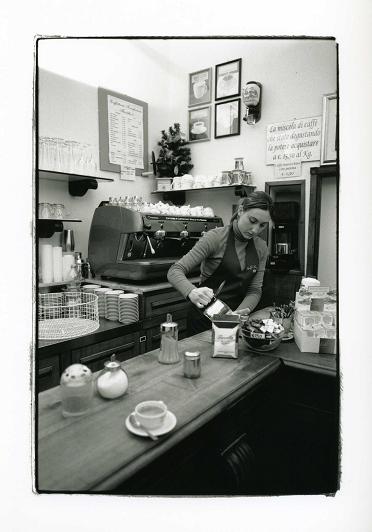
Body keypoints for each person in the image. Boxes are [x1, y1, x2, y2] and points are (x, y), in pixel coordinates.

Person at [167, 190, 273, 334]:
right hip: (204, 319)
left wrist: (238, 314)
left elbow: (254, 289)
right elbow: (175, 270)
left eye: (262, 225)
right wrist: (191, 291)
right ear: (241, 211)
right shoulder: (215, 238)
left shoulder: (261, 247)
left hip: (236, 318)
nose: (255, 230)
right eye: (252, 221)